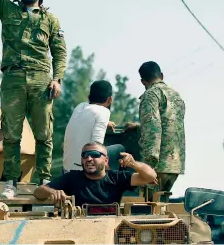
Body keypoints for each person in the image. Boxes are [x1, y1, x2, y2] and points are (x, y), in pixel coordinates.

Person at [0, 0, 67, 199]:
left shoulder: (50, 20)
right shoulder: (7, 9)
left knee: (44, 133)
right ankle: (11, 181)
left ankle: (44, 179)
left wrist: (57, 78)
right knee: (11, 132)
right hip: (13, 78)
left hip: (41, 79)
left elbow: (60, 51)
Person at [125, 61, 185, 194]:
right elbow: (168, 124)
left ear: (142, 81)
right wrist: (139, 126)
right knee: (161, 205)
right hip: (174, 164)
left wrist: (149, 164)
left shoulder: (151, 94)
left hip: (158, 164)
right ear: (161, 75)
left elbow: (152, 128)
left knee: (148, 207)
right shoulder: (176, 96)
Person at [33, 142, 157, 205]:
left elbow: (150, 176)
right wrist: (52, 191)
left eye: (95, 155)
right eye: (85, 155)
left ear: (106, 160)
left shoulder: (117, 177)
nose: (89, 159)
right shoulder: (72, 178)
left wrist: (134, 164)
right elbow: (38, 192)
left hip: (109, 228)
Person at [63, 80, 125, 173]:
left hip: (67, 168)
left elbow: (89, 116)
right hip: (83, 170)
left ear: (89, 97)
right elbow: (96, 145)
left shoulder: (79, 107)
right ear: (110, 99)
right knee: (120, 149)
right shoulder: (104, 112)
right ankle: (111, 182)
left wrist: (105, 122)